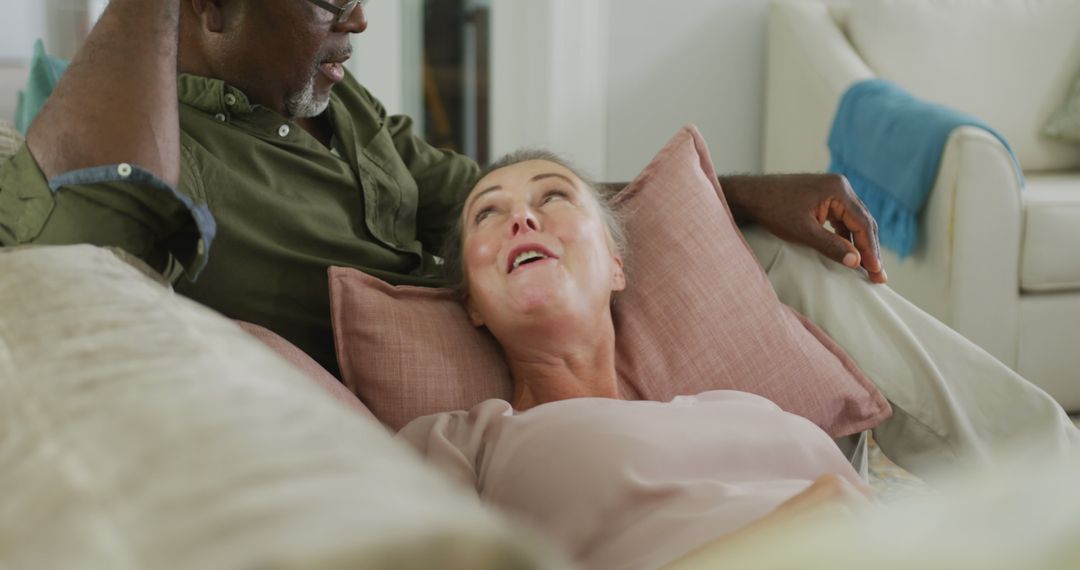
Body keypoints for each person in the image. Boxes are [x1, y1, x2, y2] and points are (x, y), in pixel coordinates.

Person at [0, 0, 1074, 477]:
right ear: (207, 8)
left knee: (786, 253)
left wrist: (744, 189)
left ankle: (1045, 477)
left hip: (535, 317)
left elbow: (495, 198)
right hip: (455, 396)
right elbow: (72, 246)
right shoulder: (157, 149)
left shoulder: (333, 108)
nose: (364, 21)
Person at [397, 150, 878, 569]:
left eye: (553, 198)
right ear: (472, 306)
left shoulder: (743, 407)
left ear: (616, 266)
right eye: (487, 214)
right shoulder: (461, 443)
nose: (522, 219)